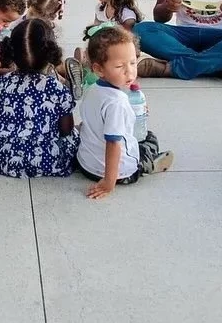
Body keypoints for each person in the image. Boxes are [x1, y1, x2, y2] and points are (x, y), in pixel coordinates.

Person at [75, 25, 174, 199]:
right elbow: (113, 144)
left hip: (86, 164)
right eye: (120, 66)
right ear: (98, 69)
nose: (130, 71)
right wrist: (109, 182)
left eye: (133, 63)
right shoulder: (117, 102)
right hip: (117, 173)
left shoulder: (92, 89)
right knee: (149, 139)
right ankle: (149, 165)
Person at [0, 18, 80, 178]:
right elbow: (66, 130)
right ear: (50, 53)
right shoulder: (57, 89)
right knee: (76, 136)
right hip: (44, 160)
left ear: (12, 52)